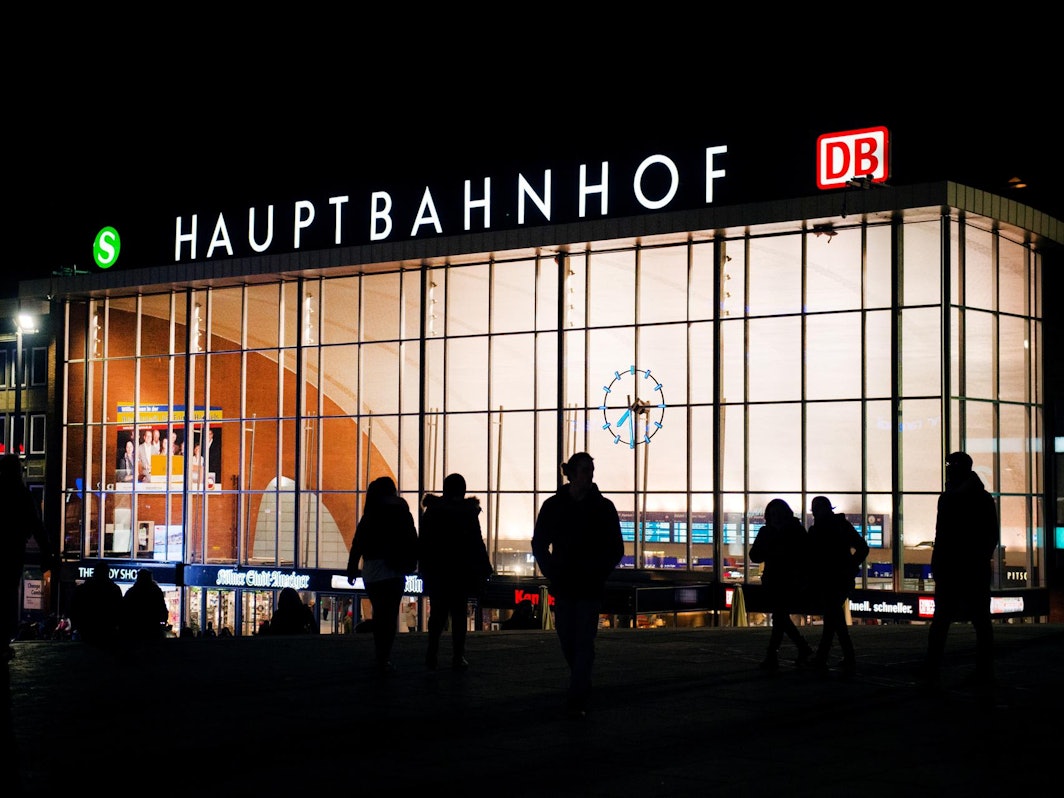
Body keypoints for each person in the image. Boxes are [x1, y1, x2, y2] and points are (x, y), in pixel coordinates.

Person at [532, 452, 623, 719]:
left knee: (581, 639)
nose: (589, 476)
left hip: (585, 584)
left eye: (591, 471)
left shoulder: (599, 507)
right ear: (571, 473)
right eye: (585, 471)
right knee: (568, 638)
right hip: (568, 583)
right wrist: (553, 571)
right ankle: (580, 680)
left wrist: (595, 572)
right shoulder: (562, 506)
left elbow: (616, 548)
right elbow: (539, 544)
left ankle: (578, 692)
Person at [921, 451, 999, 690]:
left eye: (952, 465)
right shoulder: (978, 497)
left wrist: (941, 563)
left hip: (958, 567)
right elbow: (989, 536)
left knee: (944, 622)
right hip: (967, 567)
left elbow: (943, 535)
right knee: (978, 623)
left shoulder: (954, 498)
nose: (948, 469)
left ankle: (933, 671)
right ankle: (982, 671)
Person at [419, 473, 493, 671]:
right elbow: (477, 543)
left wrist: (423, 568)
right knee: (459, 615)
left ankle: (432, 653)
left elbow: (424, 543)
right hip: (460, 572)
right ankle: (457, 656)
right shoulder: (467, 513)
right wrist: (485, 569)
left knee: (437, 614)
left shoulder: (432, 511)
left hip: (438, 572)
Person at [347, 476, 418, 675]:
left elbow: (358, 541)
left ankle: (379, 651)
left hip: (372, 571)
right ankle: (384, 656)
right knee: (389, 615)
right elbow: (411, 538)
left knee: (380, 611)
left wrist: (352, 567)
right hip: (394, 570)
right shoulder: (402, 511)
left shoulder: (371, 512)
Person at [1, 454, 58, 661]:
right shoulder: (21, 494)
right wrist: (47, 552)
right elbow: (37, 526)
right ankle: (3, 641)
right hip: (13, 549)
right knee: (8, 592)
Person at [749, 498, 815, 671]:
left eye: (778, 514)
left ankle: (775, 654)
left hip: (788, 581)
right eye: (773, 515)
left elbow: (806, 557)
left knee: (779, 617)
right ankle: (797, 649)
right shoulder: (778, 531)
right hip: (775, 581)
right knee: (780, 617)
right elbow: (754, 555)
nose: (776, 517)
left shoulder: (793, 531)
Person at [807, 496, 869, 676]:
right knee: (834, 618)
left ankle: (824, 657)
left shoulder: (818, 530)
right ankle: (842, 656)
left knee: (832, 617)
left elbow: (812, 558)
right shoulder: (841, 526)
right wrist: (850, 566)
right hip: (838, 579)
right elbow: (862, 548)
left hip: (829, 579)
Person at [70, 564, 123, 646]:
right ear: (107, 573)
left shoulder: (83, 589)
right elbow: (119, 610)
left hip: (87, 628)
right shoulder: (114, 589)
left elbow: (73, 607)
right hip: (107, 629)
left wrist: (79, 624)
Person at [120, 568, 169, 642]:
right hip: (153, 629)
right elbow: (162, 610)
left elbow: (124, 610)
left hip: (134, 630)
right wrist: (162, 623)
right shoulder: (156, 592)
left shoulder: (132, 592)